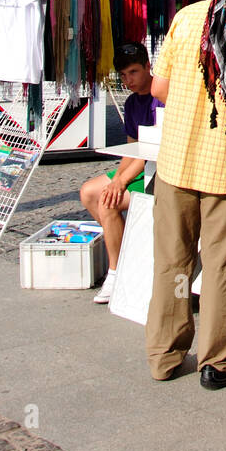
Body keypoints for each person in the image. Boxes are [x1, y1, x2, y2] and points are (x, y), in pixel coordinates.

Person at [145, 0, 226, 389]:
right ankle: (218, 363)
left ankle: (164, 357)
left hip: (176, 161)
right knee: (222, 266)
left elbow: (159, 88)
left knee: (171, 264)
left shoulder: (187, 15)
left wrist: (190, 103)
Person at [80, 42, 163, 304]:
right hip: (139, 164)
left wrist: (121, 181)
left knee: (106, 202)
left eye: (134, 72)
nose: (128, 80)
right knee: (88, 192)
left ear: (149, 67)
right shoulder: (131, 101)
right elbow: (132, 147)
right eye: (124, 75)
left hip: (156, 171)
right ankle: (127, 255)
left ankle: (116, 273)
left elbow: (151, 150)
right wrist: (118, 178)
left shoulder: (160, 97)